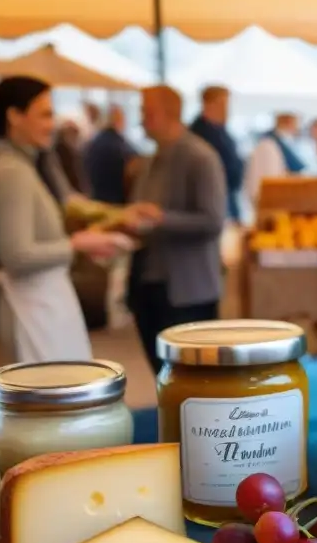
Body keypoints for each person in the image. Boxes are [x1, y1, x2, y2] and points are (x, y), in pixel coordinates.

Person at [0, 76, 131, 363]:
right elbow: (16, 255)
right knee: (46, 399)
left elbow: (70, 204)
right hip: (29, 306)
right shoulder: (11, 171)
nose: (52, 124)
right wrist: (77, 244)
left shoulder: (25, 164)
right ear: (14, 116)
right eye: (45, 114)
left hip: (39, 302)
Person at [123, 85, 227, 374]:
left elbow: (213, 220)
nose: (141, 119)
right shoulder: (150, 160)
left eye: (146, 111)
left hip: (188, 293)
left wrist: (161, 218)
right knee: (163, 375)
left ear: (167, 113)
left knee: (193, 377)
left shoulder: (200, 157)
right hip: (148, 285)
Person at [190, 86, 244, 224]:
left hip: (229, 196)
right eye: (223, 105)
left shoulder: (220, 130)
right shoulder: (199, 134)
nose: (226, 110)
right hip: (214, 200)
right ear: (208, 104)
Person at [245, 113, 305, 206]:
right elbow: (271, 182)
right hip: (269, 202)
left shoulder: (281, 143)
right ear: (289, 122)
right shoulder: (268, 145)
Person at [84, 105, 136, 205]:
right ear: (119, 120)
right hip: (116, 203)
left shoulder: (93, 143)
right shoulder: (119, 145)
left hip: (95, 199)